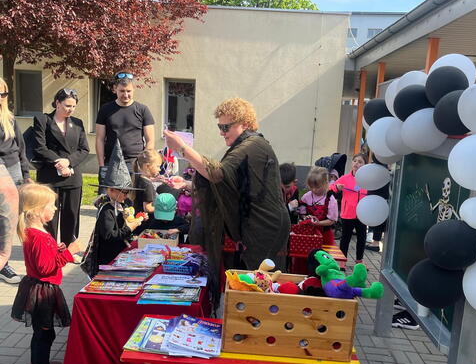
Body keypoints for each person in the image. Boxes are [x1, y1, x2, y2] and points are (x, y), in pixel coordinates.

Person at [163, 97, 290, 295]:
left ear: (245, 124)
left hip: (266, 226)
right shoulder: (244, 145)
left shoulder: (252, 145)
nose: (221, 132)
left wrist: (182, 148)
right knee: (256, 281)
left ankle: (262, 313)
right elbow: (227, 184)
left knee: (263, 283)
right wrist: (187, 184)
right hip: (255, 223)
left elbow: (217, 173)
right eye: (219, 127)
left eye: (226, 127)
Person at [11, 183, 81, 364]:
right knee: (44, 333)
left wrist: (57, 250)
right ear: (36, 211)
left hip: (36, 287)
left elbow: (43, 259)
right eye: (51, 205)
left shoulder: (34, 232)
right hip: (42, 291)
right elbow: (45, 268)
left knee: (41, 332)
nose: (55, 209)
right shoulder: (39, 237)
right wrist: (68, 253)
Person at [33, 88, 89, 246]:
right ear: (57, 103)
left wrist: (68, 162)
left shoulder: (77, 123)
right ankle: (49, 248)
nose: (71, 109)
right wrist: (59, 162)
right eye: (67, 105)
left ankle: (68, 249)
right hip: (49, 176)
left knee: (71, 215)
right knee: (48, 215)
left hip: (72, 176)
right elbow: (40, 147)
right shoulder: (42, 120)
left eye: (74, 106)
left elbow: (84, 149)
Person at [87, 141, 144, 275]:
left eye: (127, 192)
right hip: (108, 259)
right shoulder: (106, 210)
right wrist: (129, 228)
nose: (126, 195)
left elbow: (126, 226)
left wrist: (137, 221)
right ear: (111, 190)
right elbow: (109, 236)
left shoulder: (123, 204)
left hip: (120, 254)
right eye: (124, 192)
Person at [95, 71, 155, 188]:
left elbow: (150, 141)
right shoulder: (105, 109)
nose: (126, 95)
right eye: (122, 91)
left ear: (134, 90)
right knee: (109, 198)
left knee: (133, 198)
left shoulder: (143, 110)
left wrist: (143, 164)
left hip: (135, 163)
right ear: (115, 89)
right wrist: (102, 166)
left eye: (129, 91)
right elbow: (99, 139)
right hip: (111, 162)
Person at [0, 77, 31, 283]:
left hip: (14, 169)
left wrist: (26, 174)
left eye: (3, 93)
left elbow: (21, 148)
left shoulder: (9, 118)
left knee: (12, 220)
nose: (1, 97)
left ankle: (5, 262)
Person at [330, 153, 368, 264]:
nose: (356, 163)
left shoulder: (367, 180)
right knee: (345, 238)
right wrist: (337, 187)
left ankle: (359, 260)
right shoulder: (345, 178)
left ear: (365, 165)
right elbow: (331, 187)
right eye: (355, 161)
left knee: (362, 238)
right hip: (348, 214)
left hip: (362, 215)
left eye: (360, 162)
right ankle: (342, 260)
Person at [298, 166, 338, 246]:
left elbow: (331, 220)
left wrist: (318, 223)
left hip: (325, 235)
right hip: (308, 233)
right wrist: (305, 217)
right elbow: (302, 214)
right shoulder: (306, 197)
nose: (314, 190)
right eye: (311, 187)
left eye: (317, 187)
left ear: (326, 183)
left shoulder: (330, 199)